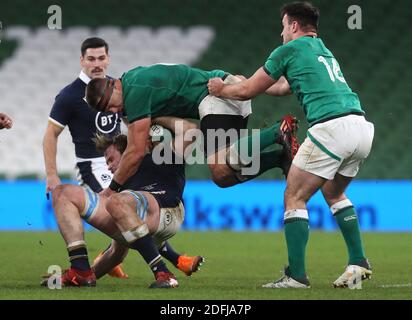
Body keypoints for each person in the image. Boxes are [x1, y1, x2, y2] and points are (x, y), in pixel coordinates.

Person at [207, 1, 374, 288]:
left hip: (331, 128)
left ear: (293, 25)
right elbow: (281, 87)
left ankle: (296, 276)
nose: (281, 32)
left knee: (294, 197)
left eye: (283, 26)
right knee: (333, 193)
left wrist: (222, 89)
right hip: (360, 128)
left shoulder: (288, 50)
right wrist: (248, 83)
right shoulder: (322, 50)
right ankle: (358, 263)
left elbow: (247, 92)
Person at [84, 64, 300, 199]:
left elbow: (136, 151)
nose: (114, 111)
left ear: (114, 85)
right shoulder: (133, 86)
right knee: (223, 177)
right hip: (226, 94)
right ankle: (278, 158)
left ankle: (276, 132)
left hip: (215, 96)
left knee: (219, 166)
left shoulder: (134, 92)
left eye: (109, 104)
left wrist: (112, 189)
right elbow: (150, 138)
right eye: (107, 111)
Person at [42, 121, 204, 289]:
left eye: (111, 159)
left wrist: (155, 118)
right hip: (140, 216)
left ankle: (164, 274)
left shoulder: (159, 154)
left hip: (169, 211)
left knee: (116, 201)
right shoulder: (121, 194)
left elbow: (189, 129)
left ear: (127, 152)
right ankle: (80, 270)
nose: (108, 166)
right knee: (62, 193)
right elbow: (115, 254)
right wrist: (92, 273)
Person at [42, 37, 125, 278]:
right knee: (119, 212)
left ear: (108, 59)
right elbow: (50, 134)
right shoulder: (69, 95)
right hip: (91, 166)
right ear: (82, 60)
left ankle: (107, 258)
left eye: (101, 58)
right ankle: (170, 262)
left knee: (131, 211)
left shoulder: (116, 88)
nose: (97, 63)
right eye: (91, 59)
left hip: (119, 162)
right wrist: (51, 174)